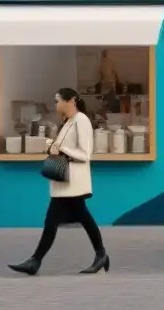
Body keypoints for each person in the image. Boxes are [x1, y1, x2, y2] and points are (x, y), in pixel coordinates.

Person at [8, 88, 110, 276]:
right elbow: (64, 149)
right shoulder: (68, 122)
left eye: (57, 101)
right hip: (65, 182)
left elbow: (85, 154)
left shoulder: (82, 121)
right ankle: (100, 255)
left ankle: (35, 261)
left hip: (73, 183)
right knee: (82, 218)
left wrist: (61, 148)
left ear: (70, 101)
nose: (55, 104)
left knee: (53, 221)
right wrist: (52, 146)